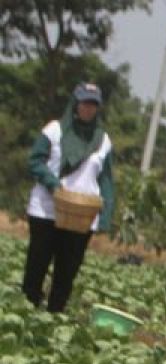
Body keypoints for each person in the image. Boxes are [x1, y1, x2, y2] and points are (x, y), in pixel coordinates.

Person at [22, 81, 115, 312]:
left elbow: (106, 181)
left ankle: (54, 316)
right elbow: (35, 161)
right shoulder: (54, 130)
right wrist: (53, 184)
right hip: (46, 210)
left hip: (82, 216)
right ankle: (27, 309)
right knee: (37, 264)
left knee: (66, 272)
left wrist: (105, 216)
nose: (88, 108)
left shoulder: (103, 140)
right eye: (84, 103)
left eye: (93, 104)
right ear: (75, 103)